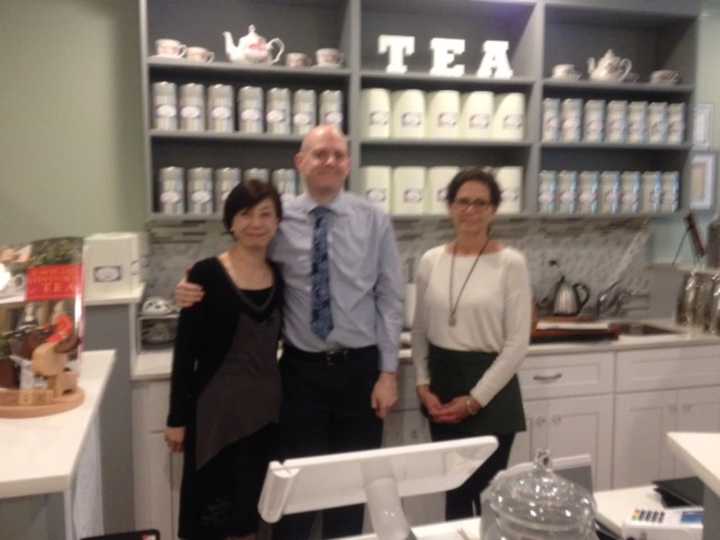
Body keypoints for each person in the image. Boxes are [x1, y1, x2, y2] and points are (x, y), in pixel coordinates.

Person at [175, 125, 404, 539]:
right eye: (319, 154)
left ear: (349, 164)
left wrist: (388, 373)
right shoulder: (277, 219)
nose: (329, 161)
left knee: (353, 486)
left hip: (360, 372)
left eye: (337, 154)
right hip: (300, 375)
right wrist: (193, 284)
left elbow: (390, 298)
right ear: (300, 163)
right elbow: (242, 262)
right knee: (295, 488)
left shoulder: (374, 220)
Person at [165, 180, 284, 540]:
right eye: (245, 214)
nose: (256, 223)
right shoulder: (204, 274)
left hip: (266, 414)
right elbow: (185, 353)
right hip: (215, 414)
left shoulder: (281, 277)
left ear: (278, 222)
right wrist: (176, 419)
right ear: (230, 222)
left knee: (253, 516)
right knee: (211, 517)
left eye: (266, 214)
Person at [411, 166, 531, 520]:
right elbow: (420, 331)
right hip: (443, 389)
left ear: (493, 210)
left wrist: (475, 400)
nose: (470, 210)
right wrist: (422, 384)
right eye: (463, 202)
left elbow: (517, 344)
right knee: (455, 495)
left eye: (480, 203)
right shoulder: (431, 261)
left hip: (490, 394)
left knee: (489, 499)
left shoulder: (511, 264)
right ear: (450, 207)